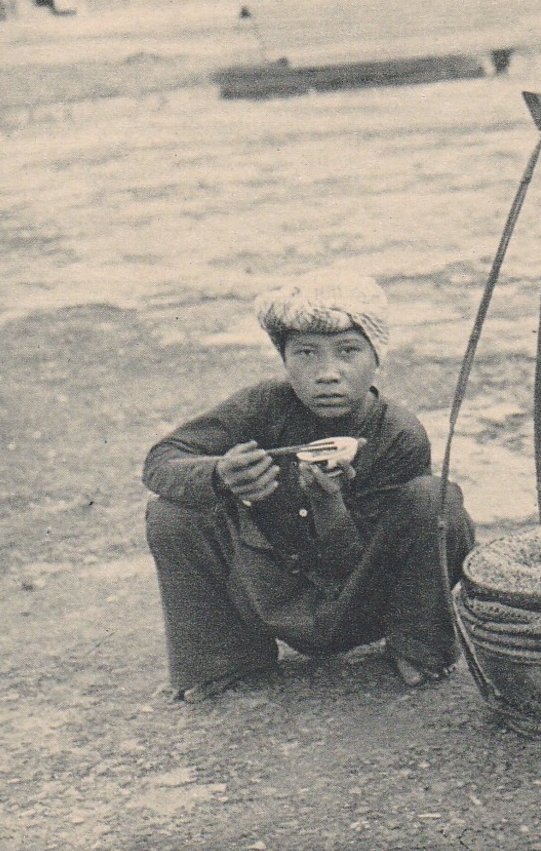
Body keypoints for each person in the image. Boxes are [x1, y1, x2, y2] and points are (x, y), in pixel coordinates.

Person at [143, 271, 475, 702]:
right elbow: (162, 460)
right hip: (274, 590)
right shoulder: (264, 404)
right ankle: (225, 657)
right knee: (173, 510)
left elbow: (350, 565)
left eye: (349, 352)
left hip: (364, 598)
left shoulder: (397, 433)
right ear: (284, 362)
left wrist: (328, 503)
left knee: (436, 500)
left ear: (377, 358)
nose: (327, 374)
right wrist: (218, 475)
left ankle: (416, 644)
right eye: (306, 354)